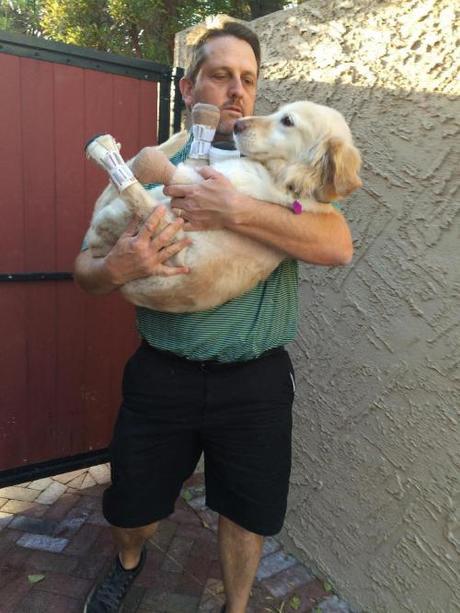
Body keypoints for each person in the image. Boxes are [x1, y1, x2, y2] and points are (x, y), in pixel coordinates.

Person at [76, 20, 353, 613]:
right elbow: (84, 269)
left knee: (246, 513)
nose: (236, 91)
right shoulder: (156, 159)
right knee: (131, 507)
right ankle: (129, 557)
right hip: (163, 373)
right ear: (187, 85)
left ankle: (237, 606)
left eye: (248, 80)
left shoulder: (288, 158)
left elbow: (335, 243)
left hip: (254, 377)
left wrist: (235, 210)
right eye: (221, 75)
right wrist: (118, 269)